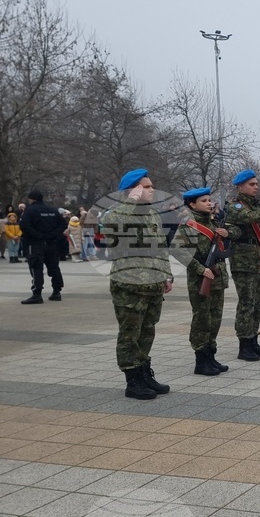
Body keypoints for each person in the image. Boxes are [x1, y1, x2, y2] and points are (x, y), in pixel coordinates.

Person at [102, 169, 172, 399]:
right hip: (129, 285)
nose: (152, 190)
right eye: (147, 186)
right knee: (130, 332)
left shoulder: (152, 214)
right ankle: (132, 380)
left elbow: (160, 247)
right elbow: (111, 223)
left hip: (152, 282)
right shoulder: (118, 212)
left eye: (152, 186)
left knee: (147, 330)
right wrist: (131, 200)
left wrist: (166, 275)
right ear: (133, 189)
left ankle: (143, 373)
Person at [173, 187, 231, 376]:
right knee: (202, 320)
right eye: (204, 200)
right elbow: (178, 250)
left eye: (209, 200)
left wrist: (225, 236)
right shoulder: (189, 225)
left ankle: (210, 356)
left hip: (217, 279)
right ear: (192, 204)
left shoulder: (213, 224)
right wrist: (201, 269)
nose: (209, 203)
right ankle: (201, 360)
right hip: (201, 280)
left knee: (215, 320)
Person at [225, 170, 260, 361]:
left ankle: (254, 339)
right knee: (246, 303)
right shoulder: (235, 205)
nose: (256, 186)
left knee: (258, 302)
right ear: (240, 187)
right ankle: (244, 344)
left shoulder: (258, 207)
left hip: (259, 258)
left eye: (256, 184)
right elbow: (247, 217)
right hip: (244, 261)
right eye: (251, 184)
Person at [18, 190, 67, 304]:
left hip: (36, 243)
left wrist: (38, 235)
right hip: (51, 242)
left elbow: (24, 226)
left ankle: (37, 294)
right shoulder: (52, 210)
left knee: (36, 268)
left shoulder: (29, 210)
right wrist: (53, 235)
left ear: (31, 199)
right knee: (54, 267)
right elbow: (63, 224)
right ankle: (56, 292)